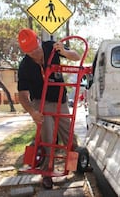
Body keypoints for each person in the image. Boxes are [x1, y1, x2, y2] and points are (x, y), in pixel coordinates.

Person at [17, 28, 81, 189]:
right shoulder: (25, 66)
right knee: (48, 138)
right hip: (41, 102)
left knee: (69, 138)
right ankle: (46, 173)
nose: (35, 53)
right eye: (31, 52)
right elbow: (23, 95)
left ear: (39, 41)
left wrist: (65, 52)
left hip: (60, 99)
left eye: (36, 48)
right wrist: (33, 112)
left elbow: (77, 56)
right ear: (26, 52)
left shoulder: (51, 47)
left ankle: (74, 166)